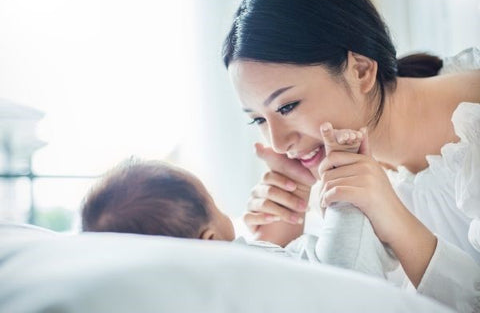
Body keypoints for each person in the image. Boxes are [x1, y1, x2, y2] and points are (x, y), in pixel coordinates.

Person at [222, 0, 480, 312]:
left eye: (287, 106)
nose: (278, 143)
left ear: (360, 71)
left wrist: (394, 218)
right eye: (259, 119)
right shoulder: (346, 179)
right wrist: (287, 243)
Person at [81, 127, 396, 279]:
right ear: (208, 241)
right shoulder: (235, 264)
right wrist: (341, 184)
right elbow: (341, 272)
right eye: (214, 203)